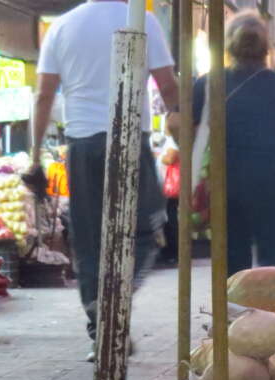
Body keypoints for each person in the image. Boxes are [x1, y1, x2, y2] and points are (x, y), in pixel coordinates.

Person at [31, 0, 179, 359]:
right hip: (130, 139)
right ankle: (117, 300)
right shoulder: (143, 21)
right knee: (148, 225)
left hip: (82, 144)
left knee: (88, 238)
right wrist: (181, 128)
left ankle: (102, 323)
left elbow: (43, 95)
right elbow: (168, 87)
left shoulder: (61, 27)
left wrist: (35, 155)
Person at [193, 12, 275, 275]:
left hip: (224, 180)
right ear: (266, 47)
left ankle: (233, 301)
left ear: (228, 45)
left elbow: (190, 134)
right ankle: (270, 300)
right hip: (270, 181)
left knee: (231, 260)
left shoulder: (208, 84)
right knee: (274, 260)